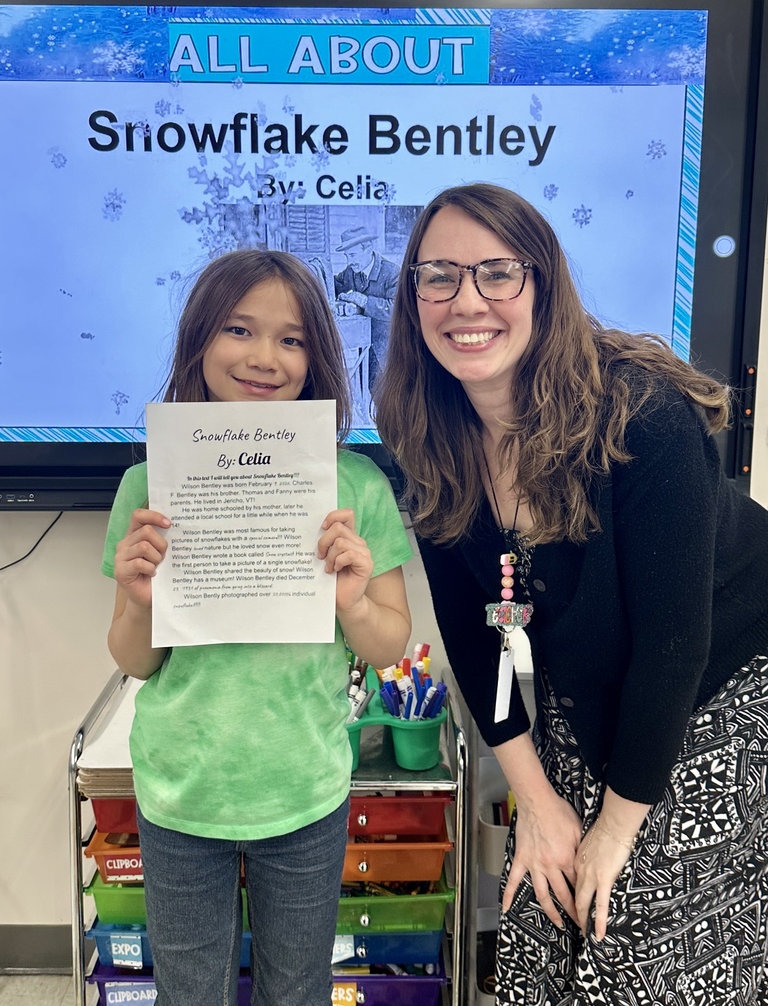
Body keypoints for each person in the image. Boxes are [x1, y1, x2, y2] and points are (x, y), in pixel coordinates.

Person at [374, 182, 768, 1005]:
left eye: (497, 273)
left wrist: (615, 832)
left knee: (629, 923)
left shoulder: (642, 417)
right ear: (412, 298)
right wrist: (537, 800)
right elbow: (474, 637)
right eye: (438, 275)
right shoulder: (430, 432)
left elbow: (673, 647)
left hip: (723, 678)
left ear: (544, 287)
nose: (465, 300)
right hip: (586, 681)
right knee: (542, 899)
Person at [102, 249, 413, 1006]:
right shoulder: (148, 486)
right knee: (190, 991)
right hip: (182, 786)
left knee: (297, 990)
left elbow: (389, 645)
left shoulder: (356, 487)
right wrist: (140, 596)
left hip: (303, 785)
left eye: (293, 339)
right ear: (200, 341)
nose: (264, 357)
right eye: (240, 329)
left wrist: (354, 604)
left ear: (318, 361)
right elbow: (134, 660)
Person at [334, 224, 399, 386]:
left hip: (389, 350)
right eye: (347, 256)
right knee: (368, 391)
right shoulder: (351, 272)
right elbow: (334, 285)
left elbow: (397, 310)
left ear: (368, 248)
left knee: (388, 397)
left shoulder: (392, 273)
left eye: (353, 255)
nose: (349, 261)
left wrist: (363, 301)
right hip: (364, 349)